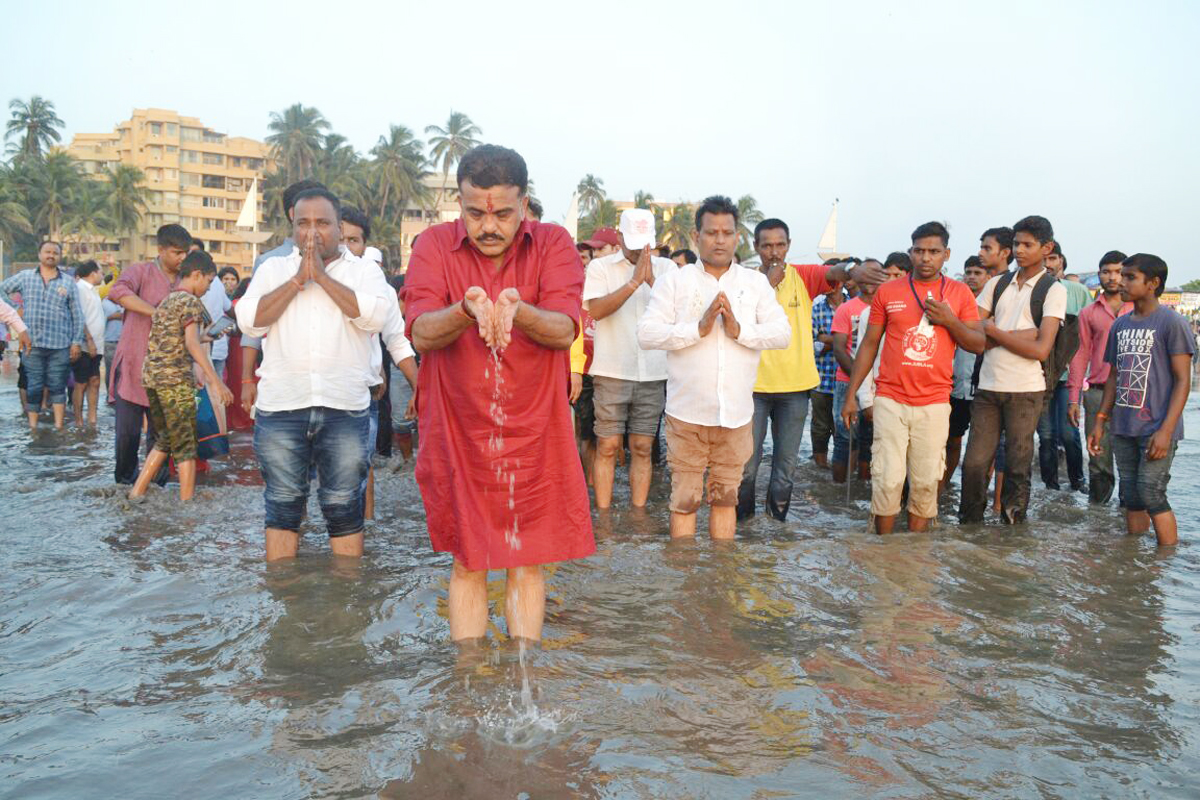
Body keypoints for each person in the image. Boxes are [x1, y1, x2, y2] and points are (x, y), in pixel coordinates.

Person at [405, 144, 593, 643]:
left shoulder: (553, 243)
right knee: (468, 561)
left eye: (504, 214)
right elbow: (420, 332)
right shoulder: (432, 246)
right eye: (474, 214)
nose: (489, 227)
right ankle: (468, 683)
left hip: (534, 430)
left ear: (524, 204)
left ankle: (519, 670)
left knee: (526, 562)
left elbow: (563, 330)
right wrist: (466, 310)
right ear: (460, 204)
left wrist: (518, 309)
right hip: (458, 427)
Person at [236, 188, 393, 560]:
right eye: (303, 224)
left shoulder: (364, 271)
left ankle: (347, 605)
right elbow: (249, 321)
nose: (312, 232)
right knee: (282, 507)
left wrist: (321, 278)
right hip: (281, 410)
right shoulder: (273, 269)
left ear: (339, 228)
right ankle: (284, 601)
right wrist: (296, 281)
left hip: (344, 409)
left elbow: (375, 317)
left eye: (322, 223)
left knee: (344, 509)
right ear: (292, 229)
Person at [638, 195, 792, 539]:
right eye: (711, 232)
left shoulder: (754, 285)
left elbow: (782, 333)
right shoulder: (674, 282)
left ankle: (720, 581)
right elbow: (646, 334)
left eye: (726, 232)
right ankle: (688, 582)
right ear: (697, 237)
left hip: (736, 416)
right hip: (687, 415)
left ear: (737, 237)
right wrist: (698, 328)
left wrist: (740, 331)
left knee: (726, 500)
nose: (719, 240)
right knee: (685, 500)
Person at [842, 222, 983, 534]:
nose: (925, 258)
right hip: (890, 398)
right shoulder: (889, 291)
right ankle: (884, 552)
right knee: (887, 479)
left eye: (934, 251)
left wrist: (949, 320)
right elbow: (869, 344)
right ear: (911, 252)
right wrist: (852, 395)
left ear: (946, 254)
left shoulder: (959, 294)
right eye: (919, 251)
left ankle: (915, 556)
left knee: (924, 482)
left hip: (934, 402)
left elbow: (977, 342)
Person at [738, 221, 885, 519]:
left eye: (780, 245)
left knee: (785, 465)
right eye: (766, 245)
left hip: (795, 389)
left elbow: (834, 272)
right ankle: (743, 527)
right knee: (746, 465)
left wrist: (852, 269)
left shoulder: (802, 276)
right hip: (751, 388)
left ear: (789, 245)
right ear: (756, 247)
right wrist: (768, 283)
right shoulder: (743, 281)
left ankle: (777, 526)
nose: (773, 252)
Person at [960, 216, 1066, 525]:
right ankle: (970, 529)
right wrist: (1020, 334)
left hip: (1026, 390)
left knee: (1018, 467)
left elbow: (1041, 349)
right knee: (974, 465)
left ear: (1046, 248)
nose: (1019, 250)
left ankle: (1013, 532)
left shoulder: (1052, 289)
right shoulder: (998, 283)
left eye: (1027, 245)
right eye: (1016, 244)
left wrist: (996, 332)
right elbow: (973, 330)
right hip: (988, 386)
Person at [1088, 254, 1193, 547]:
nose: (1121, 282)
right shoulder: (1120, 326)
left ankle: (1165, 562)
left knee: (1152, 492)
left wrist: (1166, 431)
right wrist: (1100, 421)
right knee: (1132, 494)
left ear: (1153, 283)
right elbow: (1113, 377)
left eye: (1130, 277)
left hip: (1157, 426)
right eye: (1122, 275)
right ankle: (1134, 559)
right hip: (1123, 425)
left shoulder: (1172, 323)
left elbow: (1183, 380)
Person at [583, 208, 673, 510]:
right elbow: (594, 311)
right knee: (607, 445)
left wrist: (651, 283)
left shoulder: (668, 269)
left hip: (654, 371)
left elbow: (678, 314)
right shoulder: (600, 268)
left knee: (642, 446)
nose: (638, 251)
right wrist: (633, 283)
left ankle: (637, 516)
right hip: (612, 369)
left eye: (644, 244)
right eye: (632, 243)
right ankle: (605, 516)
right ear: (619, 237)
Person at [129, 251, 234, 502]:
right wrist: (216, 383)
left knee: (165, 439)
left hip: (153, 379)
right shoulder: (190, 302)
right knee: (186, 444)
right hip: (175, 381)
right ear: (196, 275)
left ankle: (136, 493)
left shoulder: (168, 300)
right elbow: (192, 345)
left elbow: (185, 337)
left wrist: (211, 335)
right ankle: (187, 507)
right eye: (208, 282)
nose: (209, 289)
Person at [108, 224, 192, 483]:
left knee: (160, 437)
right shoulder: (140, 271)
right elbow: (117, 292)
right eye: (177, 253)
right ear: (161, 250)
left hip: (167, 373)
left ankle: (155, 487)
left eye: (185, 253)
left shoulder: (185, 281)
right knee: (127, 435)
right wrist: (155, 312)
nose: (182, 259)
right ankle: (123, 484)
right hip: (133, 365)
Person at [239, 179, 328, 417]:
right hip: (284, 387)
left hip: (332, 391)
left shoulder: (341, 261)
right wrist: (247, 379)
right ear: (293, 213)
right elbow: (253, 324)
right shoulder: (269, 263)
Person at [1068, 250, 1131, 504]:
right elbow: (1080, 355)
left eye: (1118, 272)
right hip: (1096, 392)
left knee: (1130, 462)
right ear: (1099, 275)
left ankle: (1129, 523)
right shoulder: (1089, 313)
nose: (1112, 277)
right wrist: (1074, 398)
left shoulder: (1137, 309)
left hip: (1131, 393)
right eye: (1106, 272)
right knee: (1098, 461)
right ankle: (1098, 523)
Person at [0, 241, 85, 431]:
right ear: (39, 254)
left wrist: (76, 342)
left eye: (55, 252)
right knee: (34, 386)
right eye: (47, 251)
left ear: (59, 256)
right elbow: (1, 289)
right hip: (32, 343)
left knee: (57, 385)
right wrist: (14, 311)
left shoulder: (68, 282)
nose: (51, 255)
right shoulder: (25, 277)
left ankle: (59, 426)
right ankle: (33, 427)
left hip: (60, 344)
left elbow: (77, 315)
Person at [1036, 243, 1091, 492]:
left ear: (1061, 261)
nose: (1048, 263)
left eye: (1053, 258)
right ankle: (1050, 487)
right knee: (1046, 436)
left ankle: (1078, 483)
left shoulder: (1077, 291)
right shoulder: (1032, 289)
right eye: (1044, 258)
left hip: (1069, 377)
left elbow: (1086, 336)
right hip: (1038, 376)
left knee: (1069, 434)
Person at [942, 255, 990, 490]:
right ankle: (946, 486)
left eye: (977, 273)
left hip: (984, 386)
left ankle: (978, 491)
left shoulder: (992, 305)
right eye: (968, 272)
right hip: (955, 385)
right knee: (952, 439)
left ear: (988, 277)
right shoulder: (955, 302)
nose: (972, 277)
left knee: (983, 446)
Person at [810, 279, 847, 468]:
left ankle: (842, 472)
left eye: (829, 282)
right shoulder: (816, 309)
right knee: (820, 428)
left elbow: (857, 343)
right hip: (821, 379)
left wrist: (827, 339)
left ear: (839, 283)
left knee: (844, 428)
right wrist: (841, 340)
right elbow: (813, 346)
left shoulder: (853, 306)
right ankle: (821, 469)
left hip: (848, 379)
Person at [72, 261, 107, 427]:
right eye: (101, 272)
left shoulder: (93, 290)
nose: (102, 275)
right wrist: (89, 340)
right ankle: (78, 421)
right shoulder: (79, 289)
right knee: (81, 383)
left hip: (97, 344)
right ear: (93, 273)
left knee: (94, 381)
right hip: (86, 344)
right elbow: (79, 317)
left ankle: (92, 419)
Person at [101, 293, 124, 398]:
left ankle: (118, 395)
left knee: (121, 371)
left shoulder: (121, 303)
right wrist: (112, 317)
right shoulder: (105, 303)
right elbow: (101, 320)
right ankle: (110, 395)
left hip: (122, 342)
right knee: (111, 370)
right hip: (110, 341)